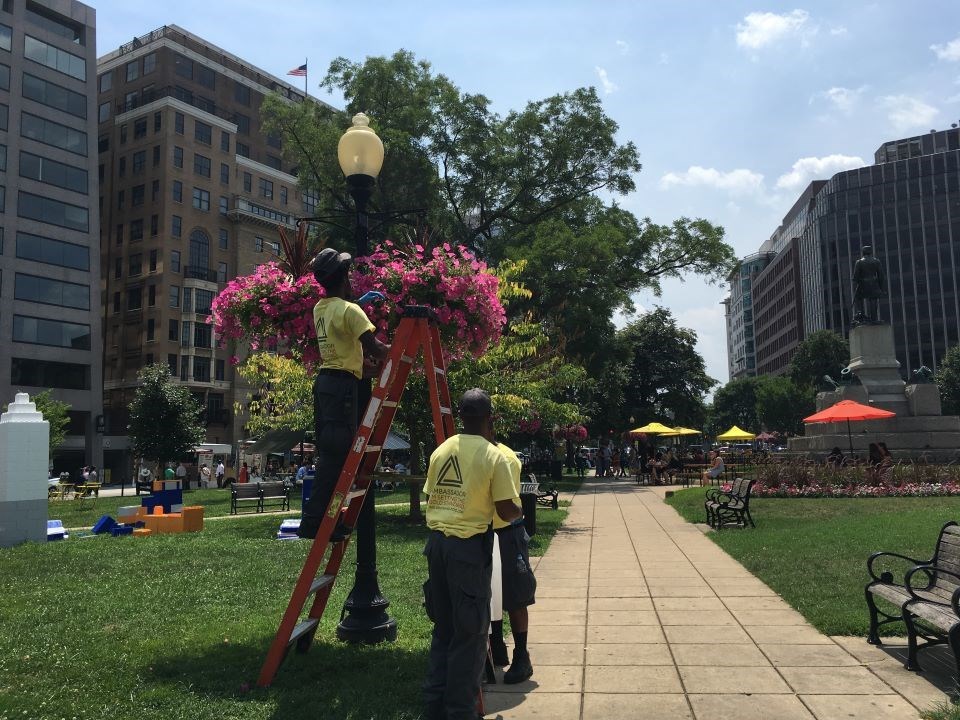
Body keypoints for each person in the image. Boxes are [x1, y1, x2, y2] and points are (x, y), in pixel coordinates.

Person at [422, 389, 521, 720]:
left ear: (461, 416)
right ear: (489, 418)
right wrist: (520, 510)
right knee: (470, 636)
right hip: (467, 550)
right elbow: (507, 511)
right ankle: (461, 713)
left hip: (436, 547)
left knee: (444, 631)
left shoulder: (442, 451)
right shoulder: (494, 456)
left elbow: (431, 496)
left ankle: (434, 708)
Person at [298, 248, 390, 541]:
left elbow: (353, 361)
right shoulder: (350, 311)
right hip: (342, 390)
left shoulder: (321, 308)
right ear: (344, 277)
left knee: (332, 454)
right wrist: (402, 344)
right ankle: (315, 522)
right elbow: (376, 349)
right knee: (337, 457)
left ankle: (324, 520)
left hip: (328, 383)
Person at [488, 434, 537, 684]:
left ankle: (522, 656)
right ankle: (495, 651)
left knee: (516, 597)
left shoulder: (505, 457)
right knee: (486, 596)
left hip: (507, 533)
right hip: (480, 533)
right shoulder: (473, 452)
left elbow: (505, 506)